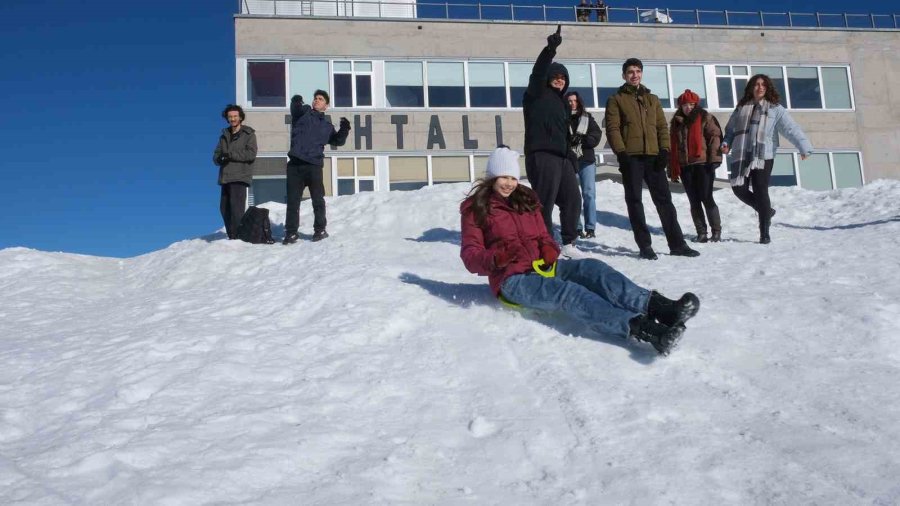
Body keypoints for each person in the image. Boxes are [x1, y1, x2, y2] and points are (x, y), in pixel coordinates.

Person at [460, 147, 700, 356]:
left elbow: (544, 235)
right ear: (492, 177)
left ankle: (662, 309)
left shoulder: (525, 199)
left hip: (543, 267)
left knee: (592, 269)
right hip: (511, 279)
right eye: (503, 177)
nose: (509, 183)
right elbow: (470, 256)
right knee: (569, 293)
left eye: (512, 177)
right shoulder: (476, 209)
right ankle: (647, 331)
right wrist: (497, 258)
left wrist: (549, 248)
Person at [605, 58, 699, 260]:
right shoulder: (616, 99)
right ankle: (645, 246)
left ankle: (677, 244)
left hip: (654, 157)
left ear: (641, 74)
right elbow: (613, 129)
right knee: (635, 201)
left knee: (665, 201)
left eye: (638, 71)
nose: (634, 75)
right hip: (631, 158)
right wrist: (621, 154)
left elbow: (661, 127)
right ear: (624, 75)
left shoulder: (652, 99)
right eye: (630, 71)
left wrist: (664, 150)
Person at [721, 74, 813, 244]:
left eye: (763, 84)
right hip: (742, 154)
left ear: (768, 87)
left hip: (764, 155)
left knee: (760, 190)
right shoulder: (742, 107)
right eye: (756, 84)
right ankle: (766, 211)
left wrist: (803, 147)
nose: (760, 87)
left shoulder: (775, 108)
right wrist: (726, 142)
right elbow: (731, 129)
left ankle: (764, 232)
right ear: (751, 87)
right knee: (738, 188)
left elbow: (790, 129)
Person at [522, 25, 583, 258]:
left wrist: (572, 158)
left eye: (563, 78)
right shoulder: (536, 93)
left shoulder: (563, 104)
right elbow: (537, 73)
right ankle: (544, 244)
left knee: (573, 199)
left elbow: (566, 134)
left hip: (562, 157)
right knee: (544, 202)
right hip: (542, 154)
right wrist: (549, 50)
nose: (559, 80)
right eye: (555, 76)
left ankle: (569, 242)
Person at [283, 90, 351, 244]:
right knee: (293, 202)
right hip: (295, 165)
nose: (316, 100)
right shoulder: (303, 113)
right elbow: (295, 109)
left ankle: (320, 230)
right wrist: (296, 100)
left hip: (314, 166)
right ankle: (291, 233)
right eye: (315, 98)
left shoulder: (327, 126)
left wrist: (345, 129)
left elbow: (337, 141)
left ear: (326, 106)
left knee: (318, 200)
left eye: (320, 99)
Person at [669, 89, 723, 243]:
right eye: (685, 105)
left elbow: (715, 137)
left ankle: (716, 231)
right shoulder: (676, 122)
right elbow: (673, 147)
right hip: (686, 166)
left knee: (706, 197)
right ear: (681, 106)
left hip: (703, 165)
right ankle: (701, 232)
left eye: (692, 104)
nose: (689, 108)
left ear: (696, 104)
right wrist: (672, 167)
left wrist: (714, 160)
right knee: (694, 200)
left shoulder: (705, 117)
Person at [213, 104, 257, 240]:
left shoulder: (248, 134)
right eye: (230, 117)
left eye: (235, 116)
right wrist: (219, 158)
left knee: (237, 209)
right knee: (224, 208)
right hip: (225, 177)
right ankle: (232, 235)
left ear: (240, 117)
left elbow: (250, 154)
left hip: (239, 176)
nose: (232, 119)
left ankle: (238, 237)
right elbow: (216, 155)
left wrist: (230, 155)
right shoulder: (224, 136)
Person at [565, 91, 603, 239]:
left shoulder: (587, 118)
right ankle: (577, 227)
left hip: (586, 160)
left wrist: (582, 140)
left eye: (574, 100)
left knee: (589, 194)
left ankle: (590, 227)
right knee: (573, 196)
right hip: (570, 160)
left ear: (579, 102)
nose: (572, 103)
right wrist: (570, 142)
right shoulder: (563, 118)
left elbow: (596, 134)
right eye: (569, 101)